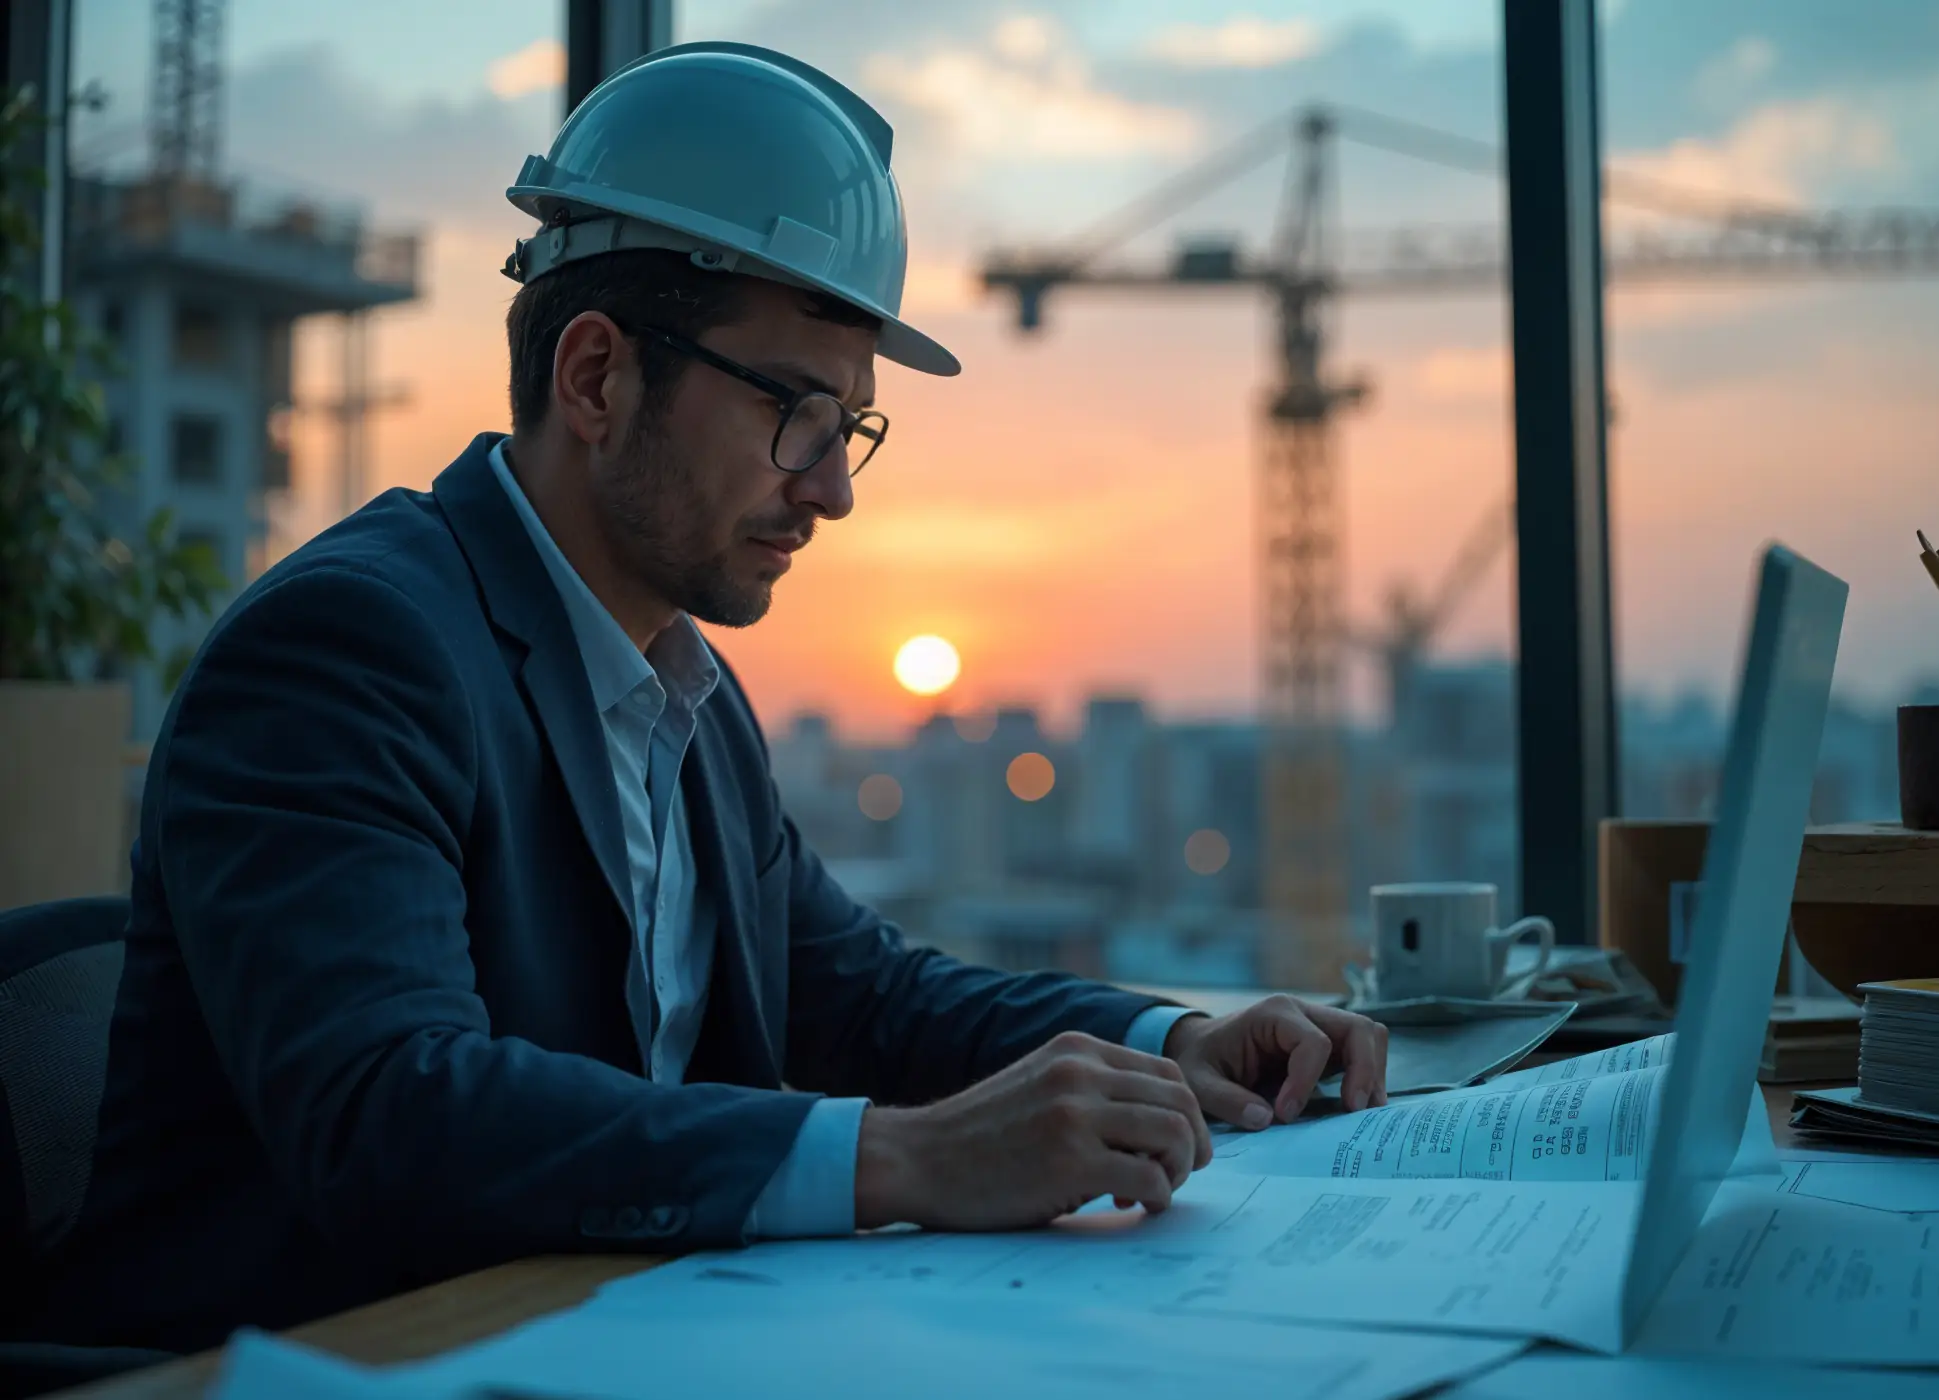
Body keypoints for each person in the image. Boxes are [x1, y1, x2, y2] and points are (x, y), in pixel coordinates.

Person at [34, 43, 1388, 1353]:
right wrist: (904, 1155)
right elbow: (392, 1113)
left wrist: (1173, 1038)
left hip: (593, 1340)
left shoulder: (684, 691)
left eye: (849, 427)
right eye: (794, 411)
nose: (832, 487)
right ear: (598, 377)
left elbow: (862, 996)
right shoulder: (350, 648)